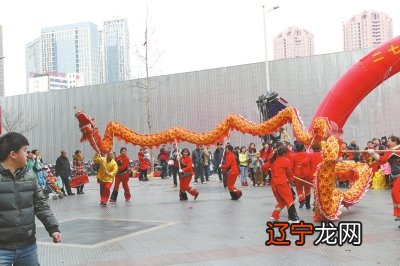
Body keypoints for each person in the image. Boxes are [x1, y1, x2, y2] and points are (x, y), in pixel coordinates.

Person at [0, 132, 61, 265]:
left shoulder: (29, 175)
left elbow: (41, 205)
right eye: (25, 150)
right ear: (13, 154)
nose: (28, 154)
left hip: (27, 247)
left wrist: (53, 228)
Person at [262, 144, 300, 223]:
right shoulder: (286, 161)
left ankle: (274, 215)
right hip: (282, 183)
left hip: (274, 184)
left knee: (282, 201)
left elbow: (264, 167)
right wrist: (291, 180)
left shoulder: (272, 160)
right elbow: (289, 173)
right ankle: (293, 218)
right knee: (290, 200)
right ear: (284, 153)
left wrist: (268, 168)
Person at [370, 136, 400, 224]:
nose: (387, 142)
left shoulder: (398, 148)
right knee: (394, 194)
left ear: (395, 142)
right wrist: (373, 154)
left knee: (395, 192)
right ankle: (398, 214)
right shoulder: (389, 150)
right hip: (395, 175)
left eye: (389, 141)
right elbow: (382, 160)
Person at [292, 142, 311, 208]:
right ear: (303, 148)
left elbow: (291, 166)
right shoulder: (308, 154)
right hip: (306, 174)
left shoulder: (293, 156)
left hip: (297, 174)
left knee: (299, 188)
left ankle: (302, 199)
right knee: (307, 189)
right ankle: (308, 204)